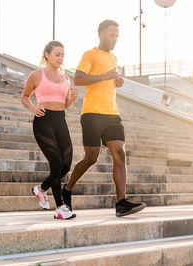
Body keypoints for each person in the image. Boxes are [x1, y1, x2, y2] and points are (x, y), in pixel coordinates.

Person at [61, 20, 146, 217]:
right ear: (101, 34)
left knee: (120, 152)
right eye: (111, 35)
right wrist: (105, 76)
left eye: (117, 35)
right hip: (92, 113)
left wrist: (116, 82)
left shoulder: (114, 58)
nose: (115, 39)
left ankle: (121, 202)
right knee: (91, 157)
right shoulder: (90, 54)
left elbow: (107, 82)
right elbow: (78, 79)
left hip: (112, 113)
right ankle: (67, 189)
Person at [22, 40, 78, 220]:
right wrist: (33, 108)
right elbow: (24, 97)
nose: (60, 58)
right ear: (47, 54)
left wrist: (72, 99)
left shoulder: (65, 78)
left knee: (66, 165)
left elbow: (64, 104)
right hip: (43, 121)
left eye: (62, 55)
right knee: (55, 162)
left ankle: (41, 189)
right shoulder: (36, 75)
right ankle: (60, 208)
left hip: (60, 121)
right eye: (57, 55)